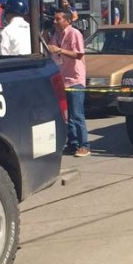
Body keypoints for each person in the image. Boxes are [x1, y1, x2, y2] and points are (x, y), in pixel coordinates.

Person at [49, 9, 89, 157]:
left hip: (74, 79)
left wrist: (60, 49)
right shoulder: (55, 35)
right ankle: (72, 144)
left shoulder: (74, 33)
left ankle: (84, 145)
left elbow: (78, 54)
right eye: (54, 19)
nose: (55, 22)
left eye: (58, 19)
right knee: (67, 115)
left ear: (67, 20)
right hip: (62, 79)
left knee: (77, 114)